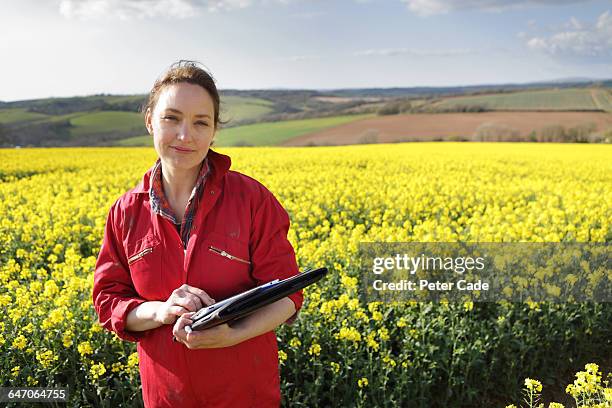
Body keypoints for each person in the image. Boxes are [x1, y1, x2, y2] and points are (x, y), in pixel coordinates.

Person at [92, 60, 303, 408]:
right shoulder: (125, 212)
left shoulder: (253, 200)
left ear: (214, 130)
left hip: (244, 395)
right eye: (171, 118)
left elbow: (287, 294)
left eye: (200, 122)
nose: (185, 135)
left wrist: (231, 335)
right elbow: (108, 301)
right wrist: (160, 311)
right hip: (166, 397)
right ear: (150, 121)